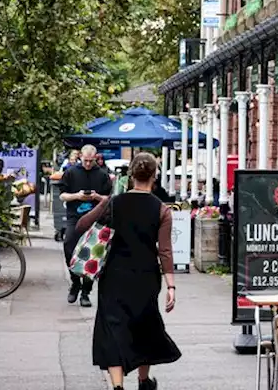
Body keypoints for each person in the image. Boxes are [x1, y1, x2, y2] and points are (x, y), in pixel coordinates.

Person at [76, 153, 182, 390]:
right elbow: (165, 250)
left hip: (114, 276)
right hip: (145, 277)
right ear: (154, 177)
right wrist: (171, 287)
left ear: (131, 175)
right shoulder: (161, 210)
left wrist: (105, 202)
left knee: (113, 329)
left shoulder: (115, 203)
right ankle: (143, 382)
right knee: (144, 327)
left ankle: (117, 386)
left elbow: (81, 226)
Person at [60, 144, 113, 306]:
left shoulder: (103, 175)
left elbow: (108, 199)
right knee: (69, 246)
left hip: (96, 219)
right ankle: (75, 282)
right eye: (85, 160)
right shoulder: (70, 172)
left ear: (96, 158)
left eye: (91, 161)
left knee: (93, 255)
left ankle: (86, 291)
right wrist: (77, 196)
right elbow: (62, 195)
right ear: (80, 157)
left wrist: (96, 197)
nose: (88, 164)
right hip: (74, 217)